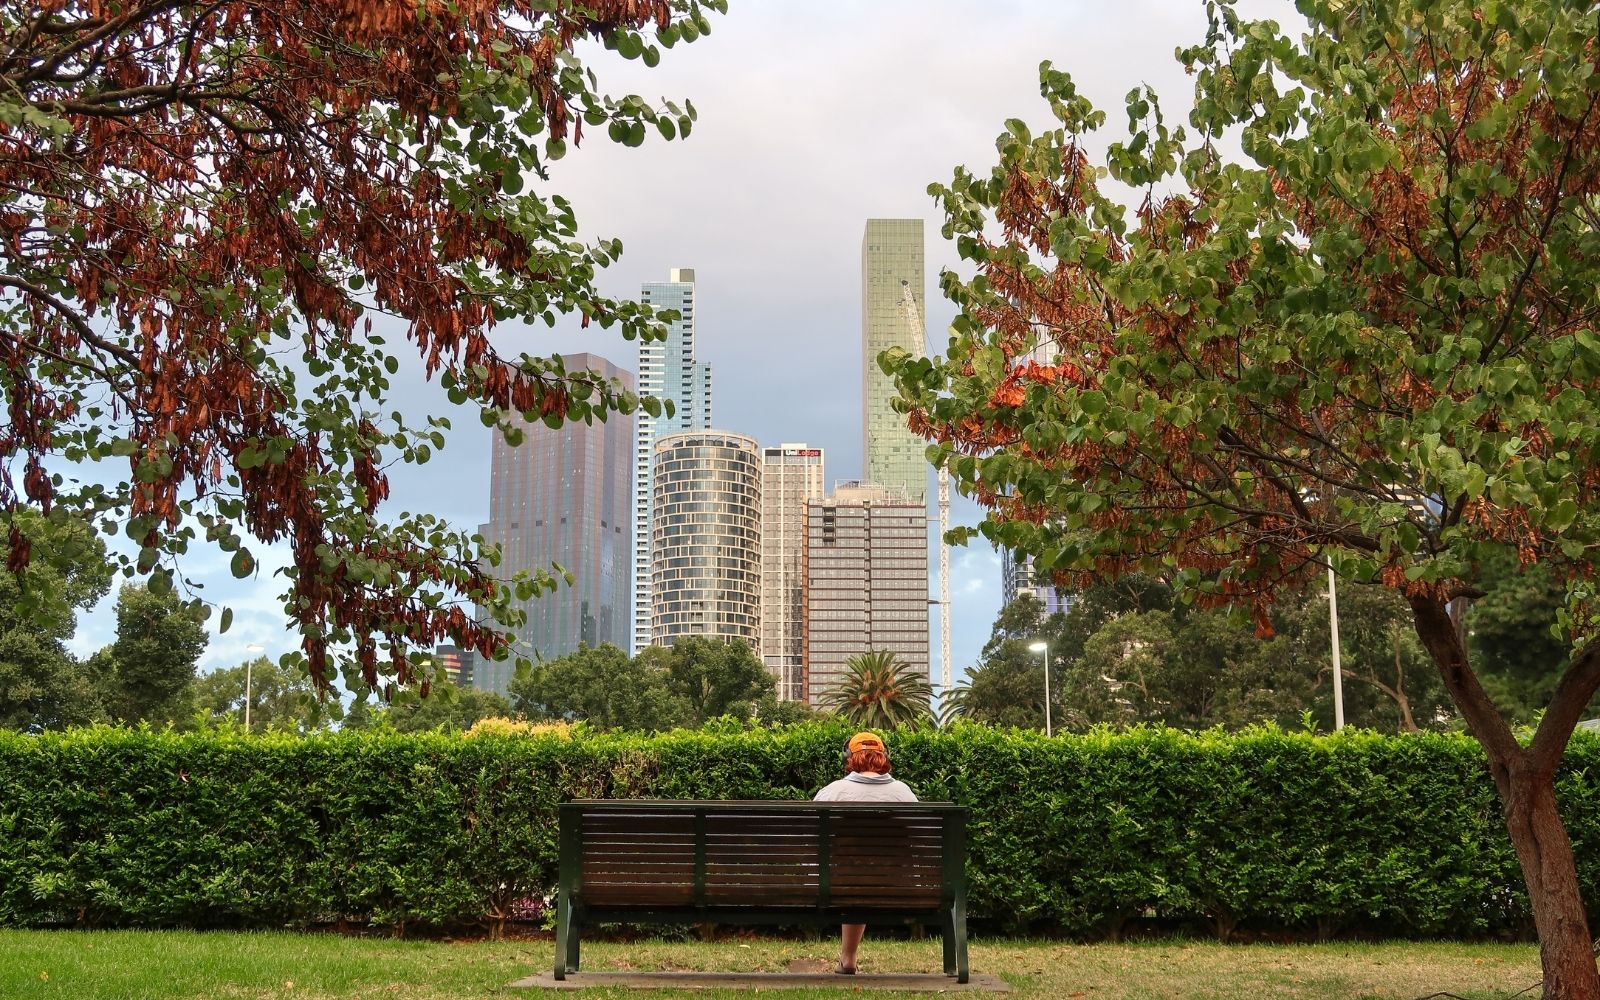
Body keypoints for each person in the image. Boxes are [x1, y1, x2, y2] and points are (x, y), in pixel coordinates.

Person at [814, 731, 917, 975]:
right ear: (884, 757)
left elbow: (812, 839)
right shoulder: (904, 794)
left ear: (849, 758)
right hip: (897, 886)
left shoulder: (833, 792)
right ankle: (848, 958)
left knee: (852, 875)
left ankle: (848, 958)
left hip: (837, 885)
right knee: (863, 874)